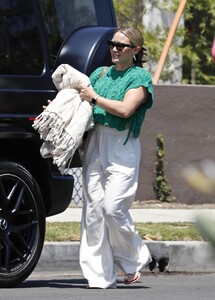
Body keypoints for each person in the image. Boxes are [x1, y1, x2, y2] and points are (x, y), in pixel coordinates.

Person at [78, 27, 153, 289]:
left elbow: (125, 109)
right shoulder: (99, 74)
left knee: (113, 208)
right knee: (93, 212)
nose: (114, 49)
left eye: (121, 46)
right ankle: (100, 276)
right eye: (112, 44)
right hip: (97, 142)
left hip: (122, 145)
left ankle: (134, 258)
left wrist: (95, 98)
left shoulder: (140, 78)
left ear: (135, 50)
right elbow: (81, 103)